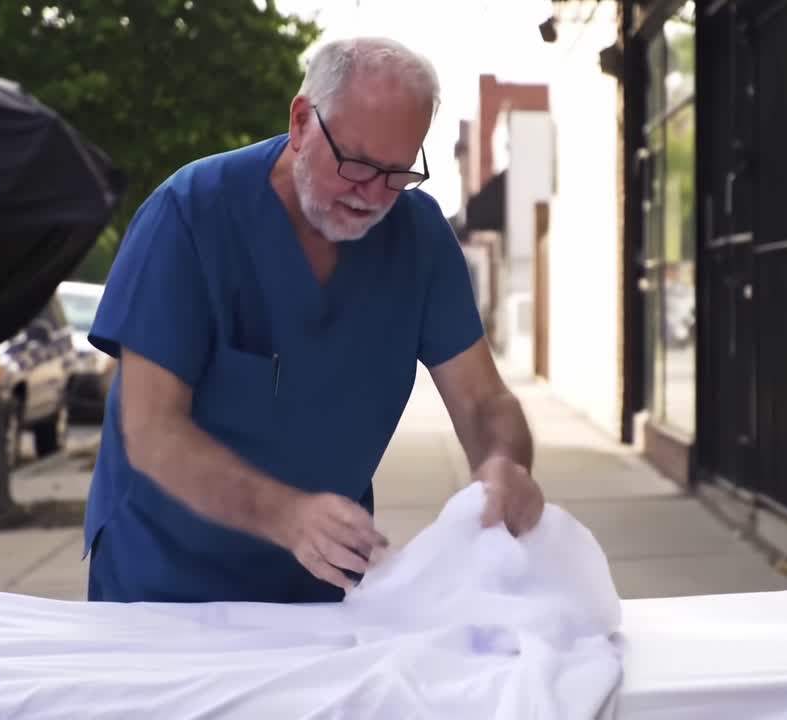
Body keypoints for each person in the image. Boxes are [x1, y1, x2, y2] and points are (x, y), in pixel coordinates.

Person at [82, 36, 544, 604]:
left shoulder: (418, 236)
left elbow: (483, 400)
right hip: (163, 582)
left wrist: (504, 463)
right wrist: (284, 514)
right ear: (301, 122)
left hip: (324, 584)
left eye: (398, 173)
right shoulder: (189, 215)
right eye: (357, 164)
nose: (373, 194)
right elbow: (152, 432)